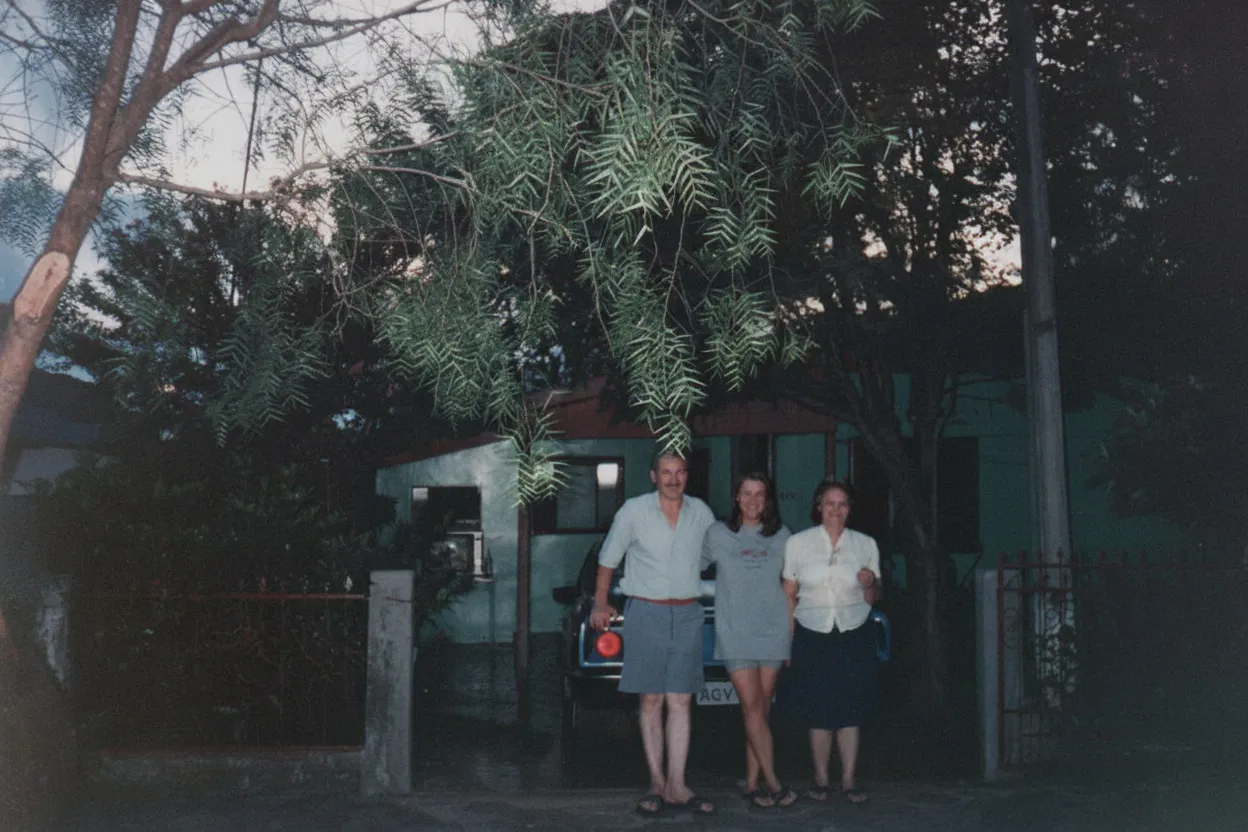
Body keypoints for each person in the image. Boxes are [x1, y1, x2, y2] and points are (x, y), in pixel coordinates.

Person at [590, 450, 717, 818]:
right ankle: (656, 784)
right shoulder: (633, 510)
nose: (673, 479)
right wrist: (600, 603)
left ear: (687, 475)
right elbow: (607, 559)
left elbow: (710, 557)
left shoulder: (702, 514)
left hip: (689, 613)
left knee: (680, 701)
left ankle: (678, 784)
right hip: (646, 611)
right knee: (651, 701)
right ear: (653, 476)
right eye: (666, 472)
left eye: (679, 472)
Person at [778, 479, 882, 805]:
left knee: (850, 708)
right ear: (818, 507)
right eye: (829, 504)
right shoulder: (798, 543)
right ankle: (821, 779)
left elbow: (874, 596)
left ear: (850, 509)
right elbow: (789, 596)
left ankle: (849, 779)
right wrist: (788, 641)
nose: (836, 510)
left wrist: (869, 583)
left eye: (842, 504)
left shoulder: (865, 544)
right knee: (819, 708)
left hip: (853, 631)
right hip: (812, 631)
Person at [700, 472, 798, 809]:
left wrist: (789, 635)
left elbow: (791, 590)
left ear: (767, 500)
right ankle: (774, 783)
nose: (753, 500)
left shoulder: (782, 536)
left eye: (760, 494)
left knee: (758, 711)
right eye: (746, 493)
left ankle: (752, 784)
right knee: (755, 708)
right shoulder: (718, 534)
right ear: (737, 498)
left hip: (773, 632)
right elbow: (689, 565)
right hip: (735, 632)